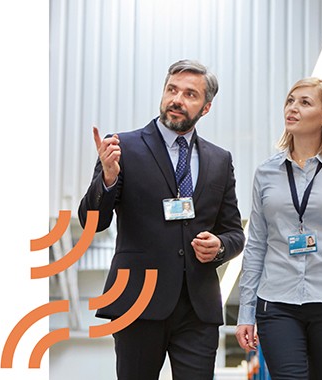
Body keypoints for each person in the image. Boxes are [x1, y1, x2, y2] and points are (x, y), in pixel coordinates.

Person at [78, 59, 245, 380]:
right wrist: (107, 180)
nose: (177, 99)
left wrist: (220, 247)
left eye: (190, 94)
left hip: (198, 306)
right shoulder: (122, 147)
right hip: (137, 299)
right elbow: (92, 224)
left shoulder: (219, 160)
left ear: (206, 107)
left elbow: (234, 233)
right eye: (172, 89)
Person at [235, 77, 322, 380]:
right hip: (277, 301)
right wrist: (246, 311)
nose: (292, 108)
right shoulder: (266, 172)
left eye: (304, 102)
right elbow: (256, 243)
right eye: (290, 101)